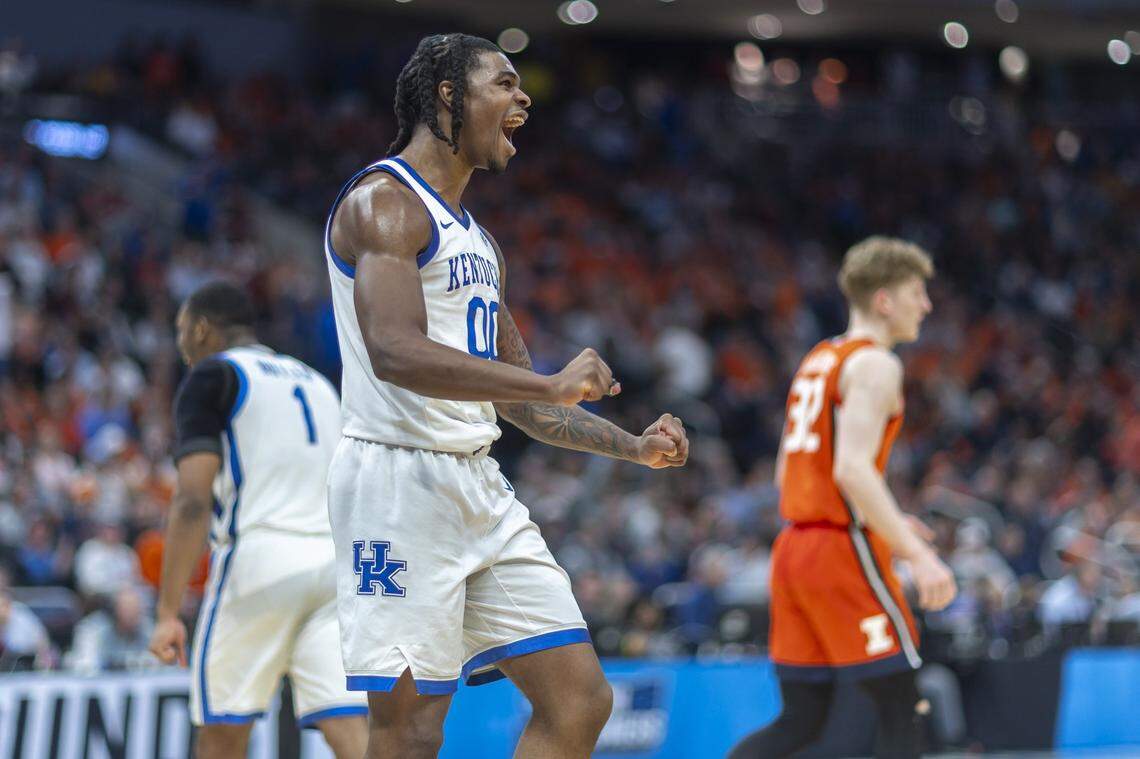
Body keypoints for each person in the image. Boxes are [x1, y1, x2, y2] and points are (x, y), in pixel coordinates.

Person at [324, 33, 689, 759]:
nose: (524, 98)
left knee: (580, 699)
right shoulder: (384, 202)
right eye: (505, 83)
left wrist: (633, 446)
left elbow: (527, 405)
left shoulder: (479, 242)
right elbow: (394, 351)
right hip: (396, 484)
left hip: (478, 485)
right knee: (411, 728)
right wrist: (549, 379)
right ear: (448, 96)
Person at [729, 237, 958, 759]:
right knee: (902, 706)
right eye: (917, 293)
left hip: (793, 550)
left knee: (800, 722)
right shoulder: (876, 364)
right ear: (884, 300)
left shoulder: (819, 357)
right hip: (837, 549)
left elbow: (789, 471)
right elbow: (852, 470)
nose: (925, 305)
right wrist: (918, 556)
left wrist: (889, 520)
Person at [147, 282, 367, 759]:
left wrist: (167, 612)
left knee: (223, 728)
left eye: (182, 331)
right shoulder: (317, 381)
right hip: (334, 566)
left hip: (259, 559)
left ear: (202, 329)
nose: (182, 343)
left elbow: (191, 500)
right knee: (347, 725)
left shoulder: (211, 376)